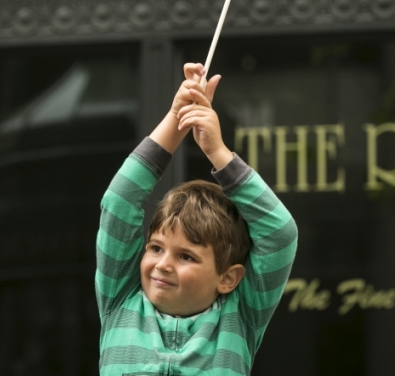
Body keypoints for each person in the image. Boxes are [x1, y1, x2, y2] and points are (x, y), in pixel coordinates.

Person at [96, 62, 298, 376]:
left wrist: (217, 151)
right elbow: (119, 199)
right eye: (156, 248)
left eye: (186, 256)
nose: (162, 264)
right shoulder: (119, 296)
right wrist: (177, 118)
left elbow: (280, 233)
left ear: (228, 278)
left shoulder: (241, 315)